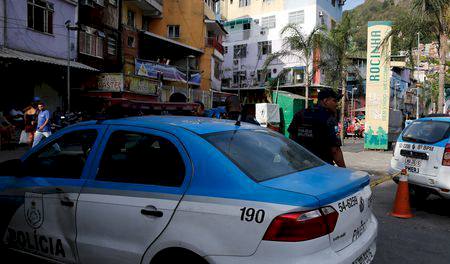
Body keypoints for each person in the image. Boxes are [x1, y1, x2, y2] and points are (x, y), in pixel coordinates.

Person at [288, 88, 346, 167]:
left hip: (299, 166)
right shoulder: (329, 119)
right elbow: (335, 150)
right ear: (325, 101)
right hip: (322, 167)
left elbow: (291, 140)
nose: (336, 104)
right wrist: (343, 170)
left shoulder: (300, 114)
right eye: (334, 101)